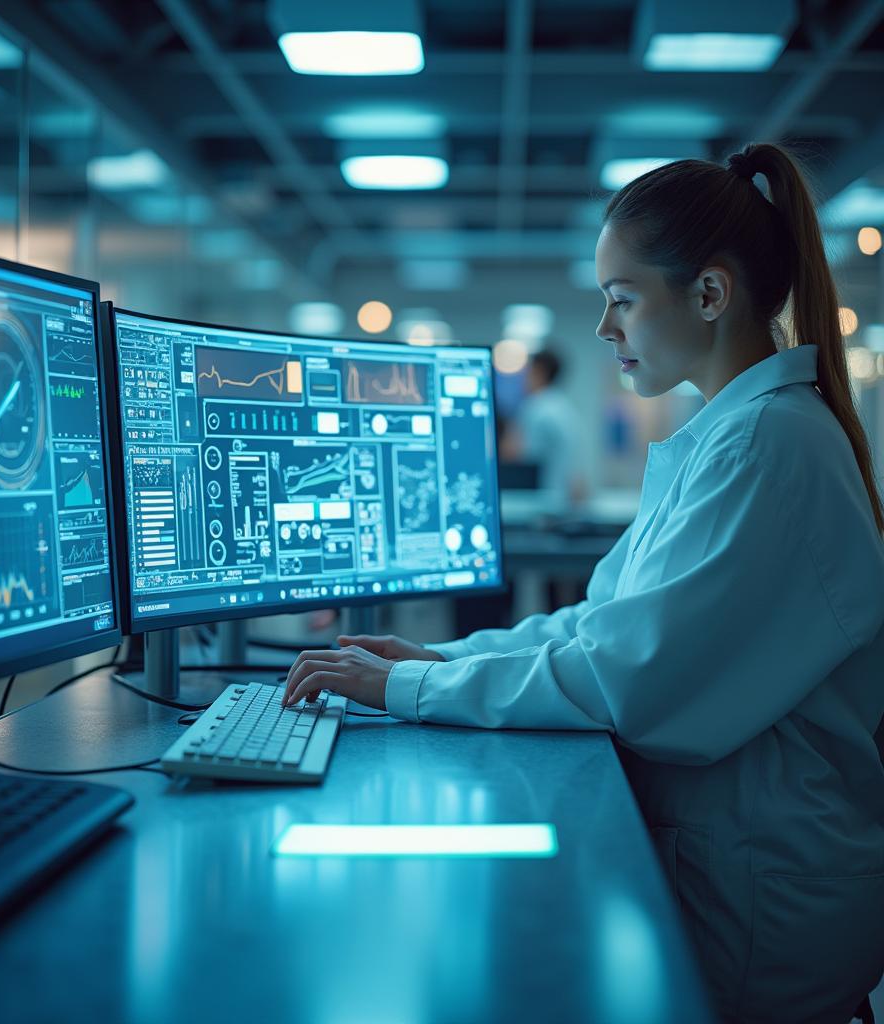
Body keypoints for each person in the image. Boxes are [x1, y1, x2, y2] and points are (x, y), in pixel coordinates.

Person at [283, 143, 884, 1024]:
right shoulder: (736, 435)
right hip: (736, 872)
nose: (603, 328)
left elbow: (628, 679)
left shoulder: (770, 446)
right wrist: (435, 657)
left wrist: (411, 687)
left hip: (763, 909)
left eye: (621, 299)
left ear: (710, 295)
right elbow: (595, 627)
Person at [500, 348, 583, 506]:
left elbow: (517, 454)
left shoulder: (536, 407)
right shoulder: (563, 406)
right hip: (564, 496)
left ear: (540, 372)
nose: (522, 379)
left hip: (544, 500)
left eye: (527, 372)